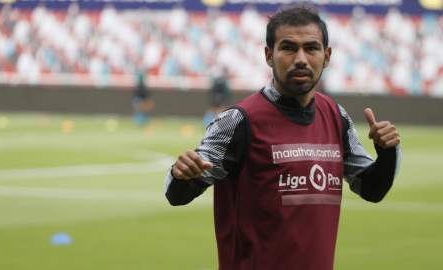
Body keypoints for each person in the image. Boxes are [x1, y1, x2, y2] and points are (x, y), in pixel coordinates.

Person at [164, 5, 402, 270]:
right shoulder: (239, 121)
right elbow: (179, 194)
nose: (300, 59)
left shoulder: (336, 116)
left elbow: (371, 188)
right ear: (269, 55)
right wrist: (180, 174)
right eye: (288, 47)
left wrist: (388, 152)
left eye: (311, 48)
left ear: (327, 56)